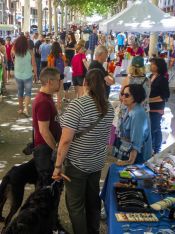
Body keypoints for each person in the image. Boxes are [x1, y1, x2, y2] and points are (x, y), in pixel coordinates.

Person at [53, 69, 114, 234]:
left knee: (75, 205)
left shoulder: (77, 105)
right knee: (93, 199)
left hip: (76, 164)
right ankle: (93, 230)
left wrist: (58, 166)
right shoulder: (108, 107)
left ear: (85, 82)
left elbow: (65, 140)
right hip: (97, 162)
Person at [32, 67, 62, 174]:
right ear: (49, 81)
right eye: (58, 80)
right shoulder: (44, 101)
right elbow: (44, 131)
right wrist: (58, 152)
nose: (60, 82)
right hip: (46, 152)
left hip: (48, 150)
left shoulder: (46, 97)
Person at [115, 84, 152, 166]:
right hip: (128, 153)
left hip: (138, 158)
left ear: (136, 97)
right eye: (122, 94)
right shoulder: (127, 109)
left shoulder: (138, 114)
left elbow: (137, 140)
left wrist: (130, 161)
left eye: (127, 95)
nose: (123, 97)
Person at [11, 35, 37, 117]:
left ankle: (21, 109)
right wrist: (35, 74)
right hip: (28, 75)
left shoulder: (16, 52)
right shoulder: (30, 52)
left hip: (18, 75)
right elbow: (34, 65)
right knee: (28, 93)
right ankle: (26, 108)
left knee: (20, 92)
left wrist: (15, 44)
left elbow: (12, 49)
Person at [149, 58, 170, 154]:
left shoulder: (162, 79)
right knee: (150, 129)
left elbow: (165, 95)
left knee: (155, 129)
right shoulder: (150, 76)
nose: (150, 65)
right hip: (149, 107)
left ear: (158, 67)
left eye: (152, 64)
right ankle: (151, 149)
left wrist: (150, 100)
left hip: (156, 108)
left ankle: (157, 150)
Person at [48, 42, 66, 112]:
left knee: (51, 93)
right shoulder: (62, 56)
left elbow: (48, 67)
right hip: (60, 75)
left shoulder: (50, 56)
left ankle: (52, 108)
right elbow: (64, 66)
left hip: (52, 75)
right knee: (59, 93)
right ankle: (58, 109)